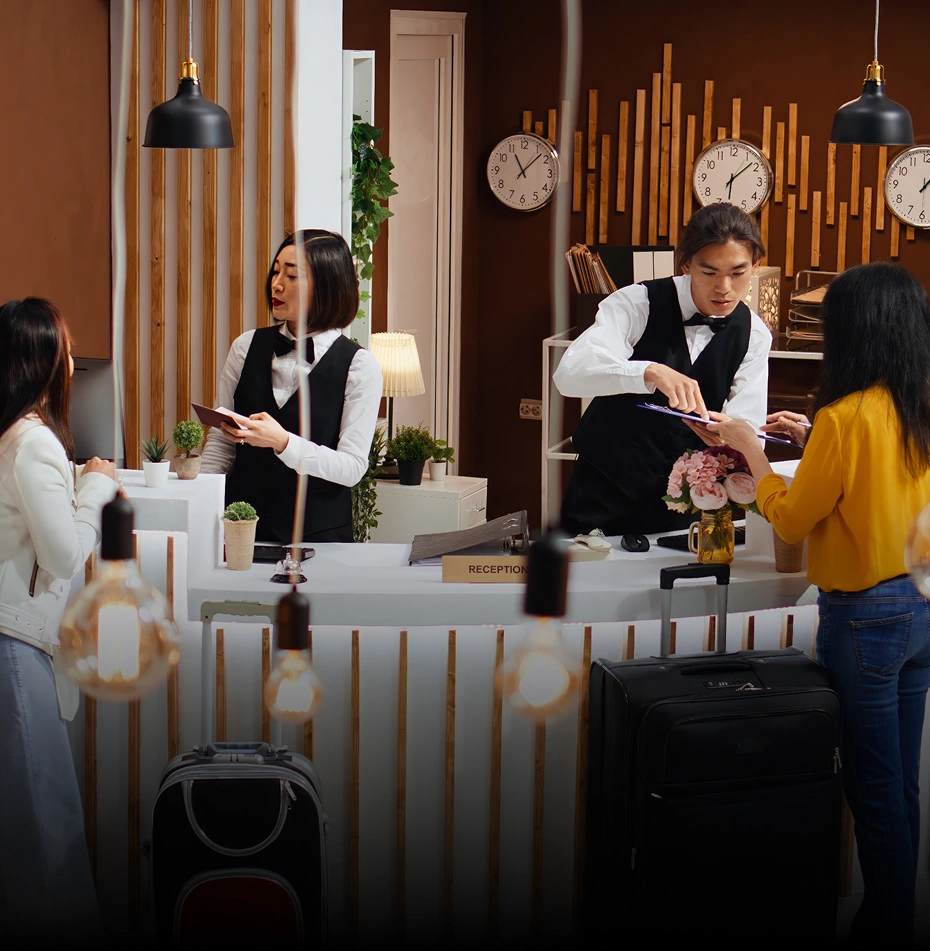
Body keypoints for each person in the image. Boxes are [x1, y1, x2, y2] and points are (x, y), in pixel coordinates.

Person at [708, 262, 930, 947]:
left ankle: (886, 928)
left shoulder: (846, 415)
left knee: (871, 790)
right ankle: (896, 916)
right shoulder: (914, 407)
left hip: (865, 620)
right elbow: (877, 482)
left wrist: (755, 453)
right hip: (921, 608)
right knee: (902, 786)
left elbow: (794, 519)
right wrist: (812, 441)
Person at [0, 298, 118, 943]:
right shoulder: (32, 440)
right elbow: (66, 554)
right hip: (15, 647)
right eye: (65, 347)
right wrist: (95, 486)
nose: (73, 361)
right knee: (48, 835)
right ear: (43, 360)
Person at [553, 202, 771, 536]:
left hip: (686, 502)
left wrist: (728, 433)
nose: (724, 287)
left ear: (755, 265)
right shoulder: (636, 303)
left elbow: (748, 424)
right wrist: (648, 371)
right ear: (686, 264)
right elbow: (569, 375)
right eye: (709, 272)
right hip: (605, 489)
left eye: (738, 272)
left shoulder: (754, 334)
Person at [201, 229, 382, 543]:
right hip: (240, 529)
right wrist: (198, 504)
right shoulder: (245, 347)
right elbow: (221, 445)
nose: (277, 284)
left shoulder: (359, 366)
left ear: (326, 286)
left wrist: (283, 442)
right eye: (275, 271)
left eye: (292, 275)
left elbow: (352, 467)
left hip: (319, 540)